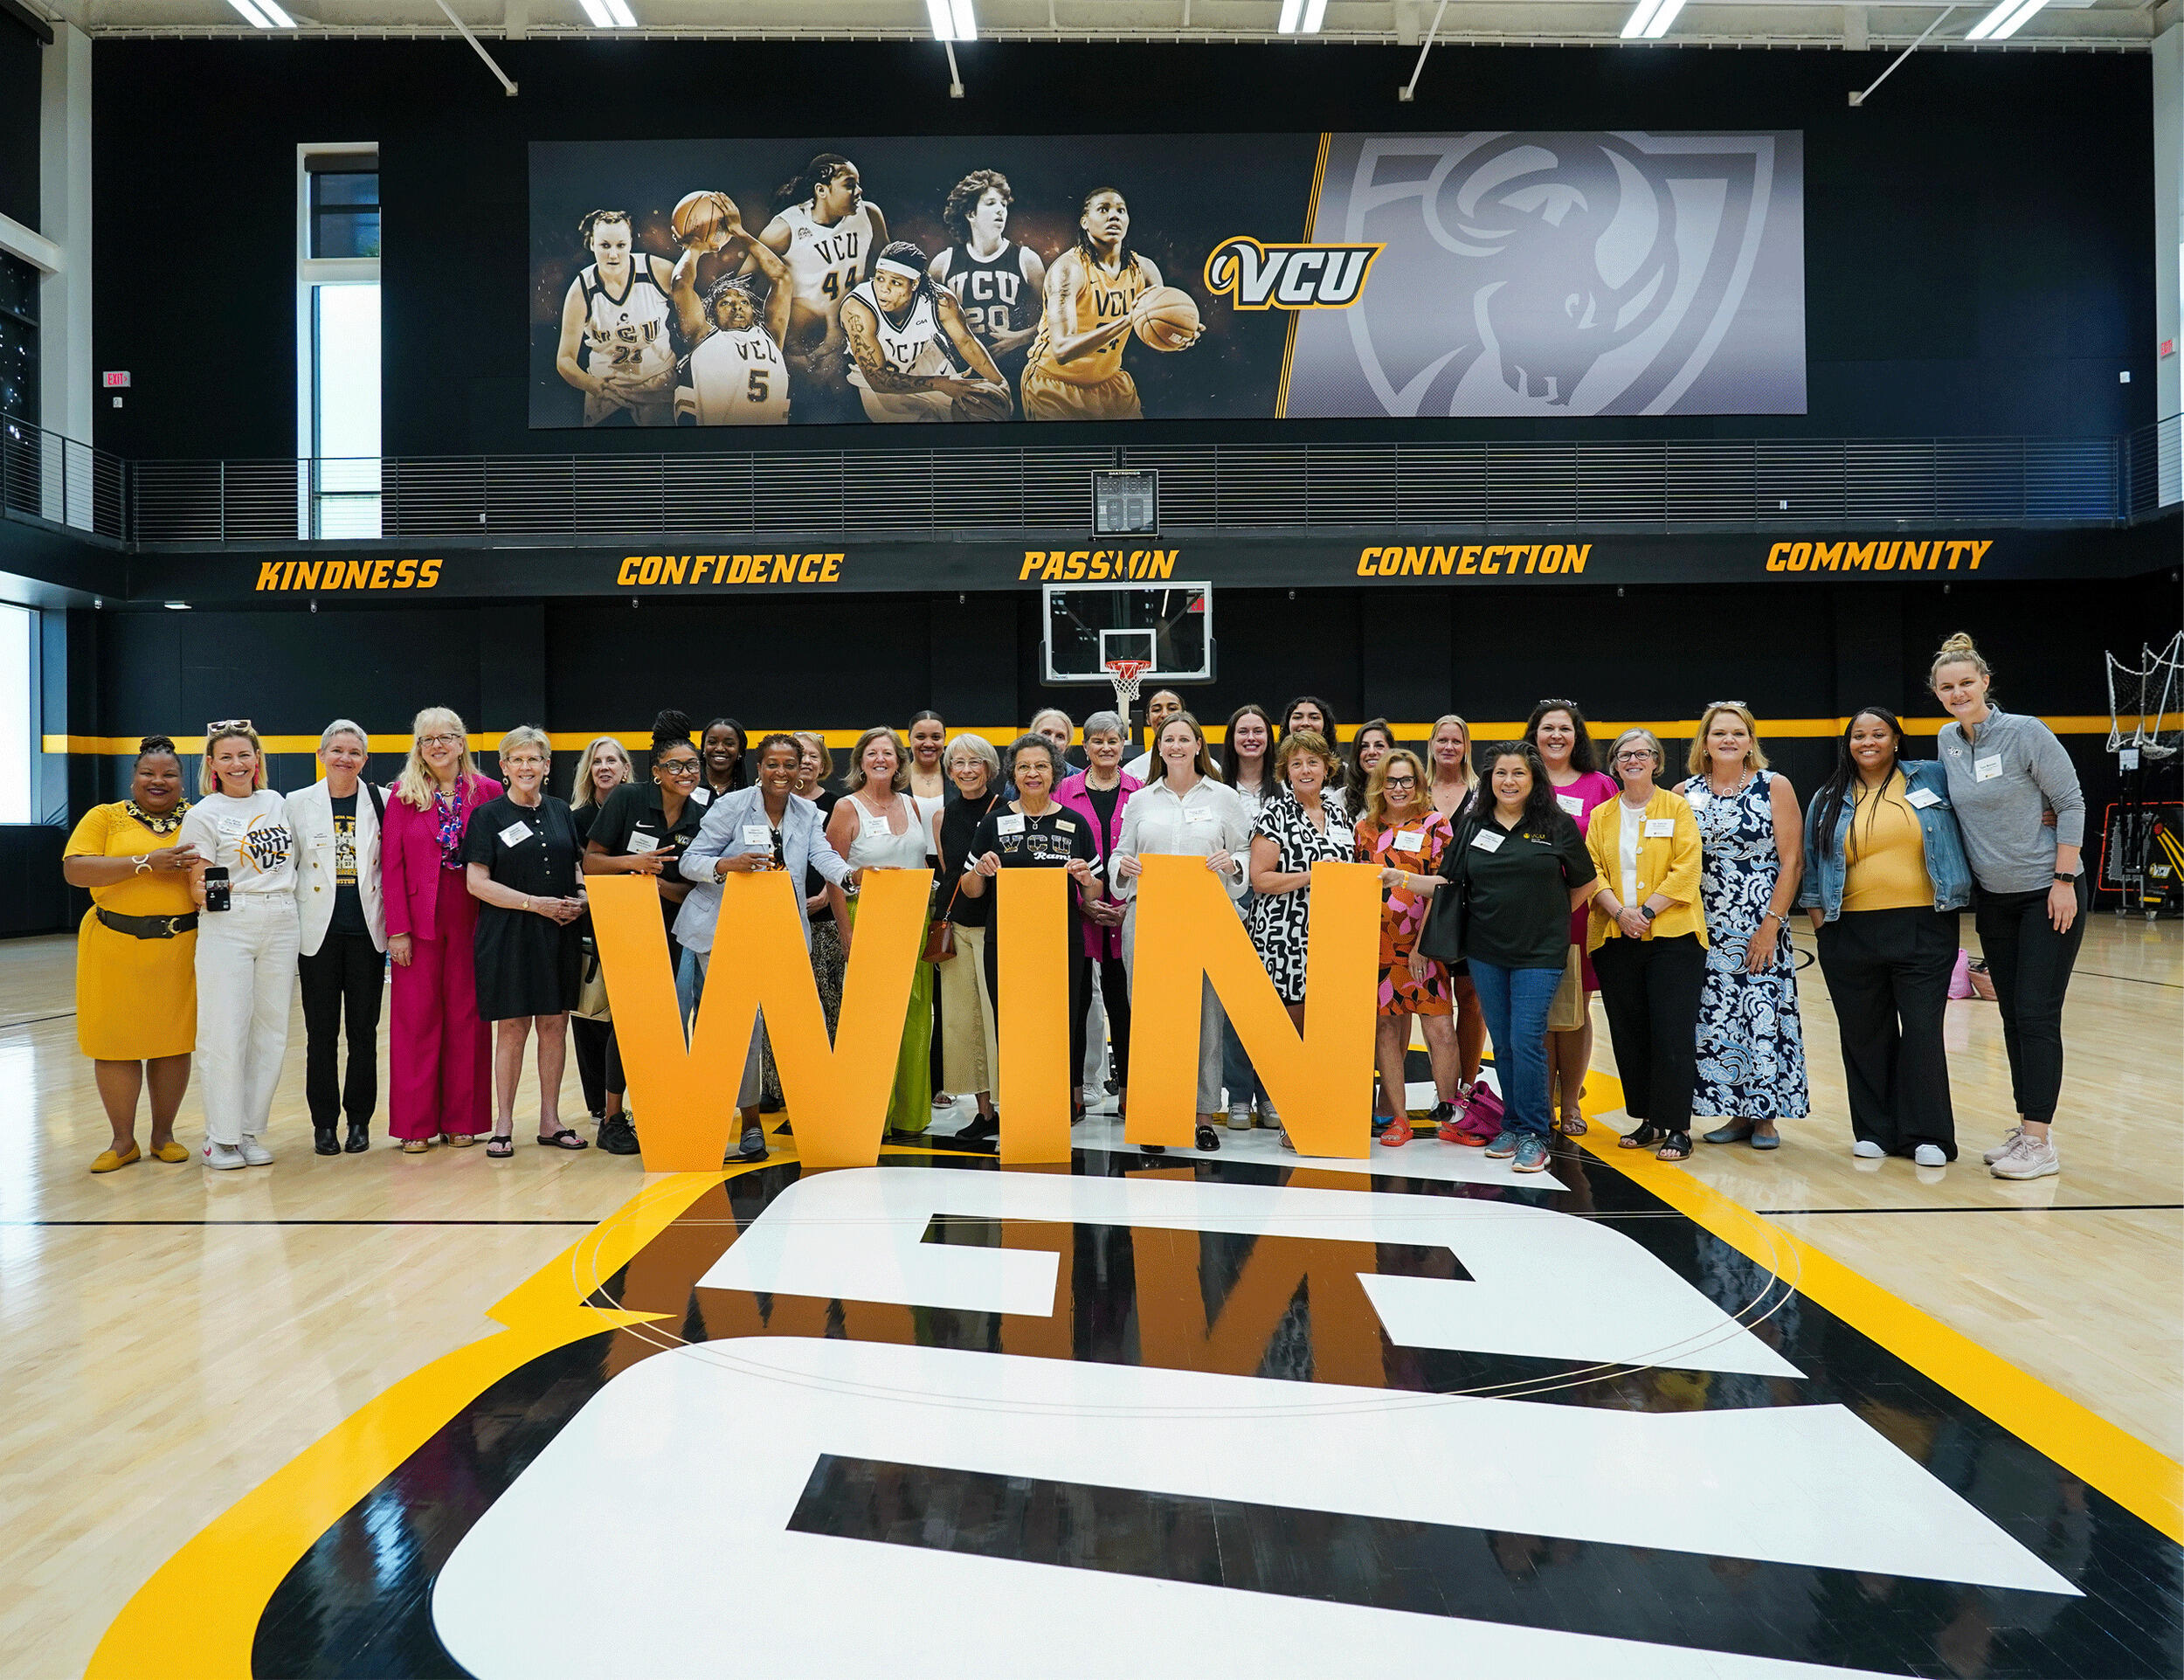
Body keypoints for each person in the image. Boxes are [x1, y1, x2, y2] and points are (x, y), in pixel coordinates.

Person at [1930, 633, 2087, 1181]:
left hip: (2048, 893)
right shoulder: (1948, 739)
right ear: (1937, 692)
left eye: (1966, 683)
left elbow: (2070, 802)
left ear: (1985, 683)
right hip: (1994, 901)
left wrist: (2064, 878)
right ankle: (2026, 1130)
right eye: (1947, 687)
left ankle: (2040, 1142)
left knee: (2038, 1014)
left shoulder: (2025, 732)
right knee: (2013, 1014)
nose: (1957, 693)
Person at [1798, 709, 1973, 1166]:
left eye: (1879, 733)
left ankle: (1928, 1135)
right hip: (1850, 931)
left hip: (1924, 927)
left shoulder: (1931, 777)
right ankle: (1874, 1129)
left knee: (1921, 1031)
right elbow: (1813, 871)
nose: (1868, 742)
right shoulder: (1828, 797)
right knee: (1864, 1033)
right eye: (1859, 735)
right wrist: (1825, 931)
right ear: (1848, 743)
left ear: (1896, 739)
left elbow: (1983, 800)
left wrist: (2043, 811)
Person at [1420, 741, 1598, 1176]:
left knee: (1526, 1040)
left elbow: (1585, 883)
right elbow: (1451, 881)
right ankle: (1514, 1125)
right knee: (1503, 1044)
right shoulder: (1473, 824)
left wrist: (1549, 919)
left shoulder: (1556, 825)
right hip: (1486, 952)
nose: (1509, 781)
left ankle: (1536, 1133)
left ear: (1533, 779)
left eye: (1518, 773)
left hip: (1540, 954)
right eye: (1501, 773)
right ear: (1489, 780)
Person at [680, 733, 854, 1163]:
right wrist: (726, 865)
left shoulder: (808, 811)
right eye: (772, 764)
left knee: (788, 1027)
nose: (781, 772)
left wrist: (852, 878)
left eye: (789, 765)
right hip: (721, 931)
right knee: (737, 1030)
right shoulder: (732, 806)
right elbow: (690, 861)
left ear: (801, 771)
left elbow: (824, 856)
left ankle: (793, 1119)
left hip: (780, 932)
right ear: (759, 768)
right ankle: (746, 1122)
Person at [1111, 712, 1248, 1153]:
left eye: (1183, 739)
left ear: (1197, 745)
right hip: (1148, 918)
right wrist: (1122, 868)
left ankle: (1204, 1115)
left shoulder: (1224, 797)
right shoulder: (1141, 800)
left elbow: (1244, 850)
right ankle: (1159, 1114)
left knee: (1208, 1016)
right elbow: (1119, 855)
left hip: (1206, 916)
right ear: (1159, 747)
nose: (1175, 746)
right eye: (1167, 739)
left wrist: (1234, 864)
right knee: (1152, 1017)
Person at [64, 736, 199, 1172]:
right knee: (116, 1044)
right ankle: (123, 1142)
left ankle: (164, 1135)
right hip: (114, 945)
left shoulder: (200, 818)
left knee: (173, 1043)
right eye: (148, 773)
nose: (158, 781)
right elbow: (75, 868)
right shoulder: (105, 817)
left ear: (183, 779)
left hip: (181, 947)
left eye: (169, 774)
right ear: (133, 777)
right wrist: (145, 862)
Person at [959, 733, 1108, 1123]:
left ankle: (1055, 1107)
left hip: (1061, 942)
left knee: (1060, 1024)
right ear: (1013, 773)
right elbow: (971, 890)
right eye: (1024, 766)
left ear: (1055, 771)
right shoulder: (993, 822)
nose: (1032, 773)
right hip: (1006, 943)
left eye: (1041, 765)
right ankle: (1022, 1110)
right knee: (1011, 1024)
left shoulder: (1074, 823)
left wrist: (1083, 877)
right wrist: (979, 870)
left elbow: (1097, 889)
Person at [1680, 703, 1807, 1151]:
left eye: (1738, 733)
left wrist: (1770, 925)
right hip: (1703, 925)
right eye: (1719, 733)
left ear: (1751, 741)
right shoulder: (1683, 793)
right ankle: (1735, 1113)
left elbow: (1792, 861)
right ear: (1706, 742)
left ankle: (1766, 1116)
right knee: (1717, 1018)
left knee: (1761, 1012)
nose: (1729, 740)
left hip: (1759, 921)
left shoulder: (1774, 786)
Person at [580, 712, 704, 1156]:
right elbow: (592, 863)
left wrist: (658, 883)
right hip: (626, 927)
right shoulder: (627, 800)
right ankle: (613, 1118)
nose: (685, 773)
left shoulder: (702, 816)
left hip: (676, 932)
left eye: (692, 766)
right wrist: (636, 864)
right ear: (655, 771)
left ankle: (660, 1108)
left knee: (669, 1023)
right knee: (628, 1022)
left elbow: (691, 890)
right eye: (675, 766)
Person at [179, 722, 301, 1170]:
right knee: (224, 1029)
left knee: (270, 1032)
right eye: (226, 757)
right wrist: (210, 894)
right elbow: (197, 882)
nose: (237, 764)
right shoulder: (203, 814)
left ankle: (249, 1131)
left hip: (283, 916)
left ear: (257, 760)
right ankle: (220, 1137)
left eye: (244, 756)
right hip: (228, 920)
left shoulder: (277, 803)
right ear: (211, 764)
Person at [1585, 729, 1709, 1165]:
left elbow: (1686, 868)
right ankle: (1648, 1119)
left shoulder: (1676, 807)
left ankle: (1677, 1126)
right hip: (1617, 937)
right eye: (1624, 754)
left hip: (1673, 937)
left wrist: (1647, 913)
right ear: (1614, 764)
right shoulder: (1601, 815)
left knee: (1671, 1031)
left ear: (1656, 761)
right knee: (1630, 1030)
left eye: (1642, 753)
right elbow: (1592, 871)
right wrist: (1621, 913)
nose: (1633, 760)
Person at [462, 728, 587, 1160]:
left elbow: (575, 866)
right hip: (507, 935)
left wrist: (582, 897)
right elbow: (476, 883)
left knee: (555, 1024)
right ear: (504, 767)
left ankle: (550, 1121)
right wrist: (534, 904)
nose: (526, 767)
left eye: (534, 759)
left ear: (547, 766)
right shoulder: (487, 816)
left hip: (558, 934)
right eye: (517, 760)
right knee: (512, 1028)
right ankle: (503, 1125)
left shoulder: (561, 811)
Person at [383, 709, 500, 1152]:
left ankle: (463, 1120)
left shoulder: (487, 792)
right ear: (418, 745)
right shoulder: (402, 795)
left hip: (474, 916)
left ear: (461, 741)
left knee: (468, 1019)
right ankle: (415, 1125)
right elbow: (390, 867)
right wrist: (397, 930)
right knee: (415, 1020)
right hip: (418, 921)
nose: (437, 745)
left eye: (446, 737)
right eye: (428, 738)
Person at [825, 728, 936, 1140]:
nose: (880, 760)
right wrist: (846, 931)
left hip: (913, 922)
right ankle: (875, 1111)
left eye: (887, 753)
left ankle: (910, 1115)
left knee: (915, 1020)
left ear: (899, 761)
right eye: (872, 753)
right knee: (873, 1023)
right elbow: (834, 876)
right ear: (860, 761)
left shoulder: (912, 804)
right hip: (866, 920)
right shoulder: (846, 807)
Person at [1248, 729, 1355, 1148]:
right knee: (1292, 1028)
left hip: (1331, 938)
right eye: (1296, 764)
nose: (1305, 770)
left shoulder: (1341, 814)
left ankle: (1322, 1110)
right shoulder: (1274, 814)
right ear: (1285, 772)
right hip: (1284, 935)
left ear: (1327, 767)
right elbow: (1260, 880)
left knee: (1323, 1029)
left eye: (1312, 762)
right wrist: (1316, 876)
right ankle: (1295, 1116)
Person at [286, 720, 387, 1157]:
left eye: (354, 752)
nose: (345, 758)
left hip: (367, 932)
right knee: (320, 1034)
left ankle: (360, 1121)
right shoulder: (295, 803)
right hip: (318, 935)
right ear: (322, 754)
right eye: (337, 750)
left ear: (365, 759)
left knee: (364, 1032)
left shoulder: (382, 801)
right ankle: (324, 1123)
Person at [1351, 749, 1461, 1148]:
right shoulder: (1364, 829)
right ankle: (1399, 1118)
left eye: (1407, 781)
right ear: (1380, 784)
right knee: (1386, 1030)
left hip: (1422, 947)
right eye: (1391, 781)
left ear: (1419, 785)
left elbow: (1444, 885)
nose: (1399, 789)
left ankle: (1449, 1115)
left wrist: (1420, 947)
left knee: (1440, 1031)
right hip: (1377, 947)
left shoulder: (1436, 825)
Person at [1021, 187, 1197, 422]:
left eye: (1120, 210)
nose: (1113, 216)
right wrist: (1126, 320)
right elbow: (1062, 350)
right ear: (1085, 222)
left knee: (1133, 457)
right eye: (1103, 209)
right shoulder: (1068, 269)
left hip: (1110, 383)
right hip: (1055, 384)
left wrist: (1180, 335)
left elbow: (1154, 329)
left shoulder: (1144, 270)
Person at [1524, 698, 1618, 1137]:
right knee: (1538, 1011)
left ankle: (1572, 1104)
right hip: (1527, 916)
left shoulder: (1600, 785)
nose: (1556, 736)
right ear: (1534, 735)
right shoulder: (1519, 782)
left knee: (1576, 1011)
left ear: (1577, 736)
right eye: (1548, 729)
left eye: (1565, 729)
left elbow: (1612, 852)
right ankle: (1542, 1102)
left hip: (1581, 912)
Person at [749, 153, 889, 425]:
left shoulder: (869, 215)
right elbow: (740, 284)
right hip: (801, 353)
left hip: (849, 347)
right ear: (822, 190)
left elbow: (887, 271)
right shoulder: (784, 228)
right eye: (850, 184)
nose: (859, 191)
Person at [1056, 713, 1142, 1119]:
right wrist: (1083, 900)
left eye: (1113, 740)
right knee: (1074, 1006)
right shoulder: (1062, 792)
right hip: (1079, 915)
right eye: (1096, 741)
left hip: (1128, 915)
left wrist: (1127, 903)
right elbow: (1054, 855)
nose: (1105, 747)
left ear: (1124, 744)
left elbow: (1147, 853)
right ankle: (1074, 1093)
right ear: (1084, 746)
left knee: (1125, 1006)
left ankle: (1130, 1093)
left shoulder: (1141, 793)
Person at [841, 240, 1013, 423]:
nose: (884, 288)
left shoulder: (940, 301)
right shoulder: (858, 308)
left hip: (927, 362)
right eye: (880, 278)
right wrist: (941, 383)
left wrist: (1000, 382)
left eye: (896, 282)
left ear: (914, 284)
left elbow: (966, 342)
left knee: (973, 410)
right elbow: (877, 378)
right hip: (882, 384)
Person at [934, 733, 1006, 1149]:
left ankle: (1010, 1103)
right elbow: (951, 872)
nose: (965, 770)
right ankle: (984, 1111)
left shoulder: (1006, 811)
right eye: (957, 763)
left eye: (974, 762)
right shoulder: (943, 816)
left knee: (999, 1023)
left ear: (989, 767)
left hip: (997, 928)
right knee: (965, 1025)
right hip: (957, 929)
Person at [666, 193, 794, 425]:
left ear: (754, 312)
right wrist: (694, 248)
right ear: (710, 315)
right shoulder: (702, 336)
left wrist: (740, 233)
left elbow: (782, 278)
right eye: (725, 302)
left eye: (744, 302)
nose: (737, 306)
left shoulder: (771, 337)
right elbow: (681, 285)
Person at [554, 208, 677, 426]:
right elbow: (564, 360)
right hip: (606, 389)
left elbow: (695, 310)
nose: (613, 254)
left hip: (658, 384)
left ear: (631, 242)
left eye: (621, 245)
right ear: (592, 244)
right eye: (605, 245)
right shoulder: (581, 289)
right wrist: (592, 384)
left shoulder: (658, 271)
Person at [567, 735, 633, 1127]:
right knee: (591, 1013)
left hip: (636, 921)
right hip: (591, 922)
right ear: (588, 772)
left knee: (629, 1018)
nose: (605, 767)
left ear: (626, 768)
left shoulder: (641, 812)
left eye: (612, 760)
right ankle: (598, 1105)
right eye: (597, 762)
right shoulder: (575, 819)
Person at [930, 170, 1047, 390]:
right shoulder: (942, 264)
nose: (1000, 209)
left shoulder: (1027, 260)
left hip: (1015, 373)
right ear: (970, 213)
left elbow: (1054, 320)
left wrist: (1021, 338)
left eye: (1003, 204)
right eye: (991, 203)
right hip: (963, 376)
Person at [1218, 703, 1277, 1130]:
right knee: (1235, 1007)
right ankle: (1239, 1096)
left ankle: (1273, 1093)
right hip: (1228, 907)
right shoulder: (1216, 788)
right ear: (1232, 738)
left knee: (1276, 1007)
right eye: (1243, 731)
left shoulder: (1286, 788)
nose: (1251, 738)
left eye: (1259, 730)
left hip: (1279, 909)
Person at [1424, 713, 1487, 1096]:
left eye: (1456, 741)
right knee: (1429, 997)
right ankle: (1441, 1084)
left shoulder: (1481, 791)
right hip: (1422, 904)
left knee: (1471, 998)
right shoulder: (1416, 789)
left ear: (1466, 747)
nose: (1449, 747)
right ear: (1431, 745)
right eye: (1442, 740)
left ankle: (1465, 1083)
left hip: (1470, 906)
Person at [793, 732, 848, 1037]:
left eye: (813, 756)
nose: (806, 762)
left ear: (823, 763)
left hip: (825, 919)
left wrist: (828, 895)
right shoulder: (771, 803)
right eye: (800, 755)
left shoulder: (836, 804)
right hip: (783, 919)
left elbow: (840, 855)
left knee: (830, 1003)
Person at [1120, 688, 1182, 782]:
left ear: (1185, 716)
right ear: (1148, 719)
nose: (1164, 714)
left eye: (1172, 709)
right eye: (1157, 710)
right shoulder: (1131, 772)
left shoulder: (1209, 768)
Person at [1344, 717, 1397, 819]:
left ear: (1392, 751)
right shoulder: (1341, 798)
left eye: (1379, 746)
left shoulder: (1403, 794)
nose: (1371, 752)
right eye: (1364, 747)